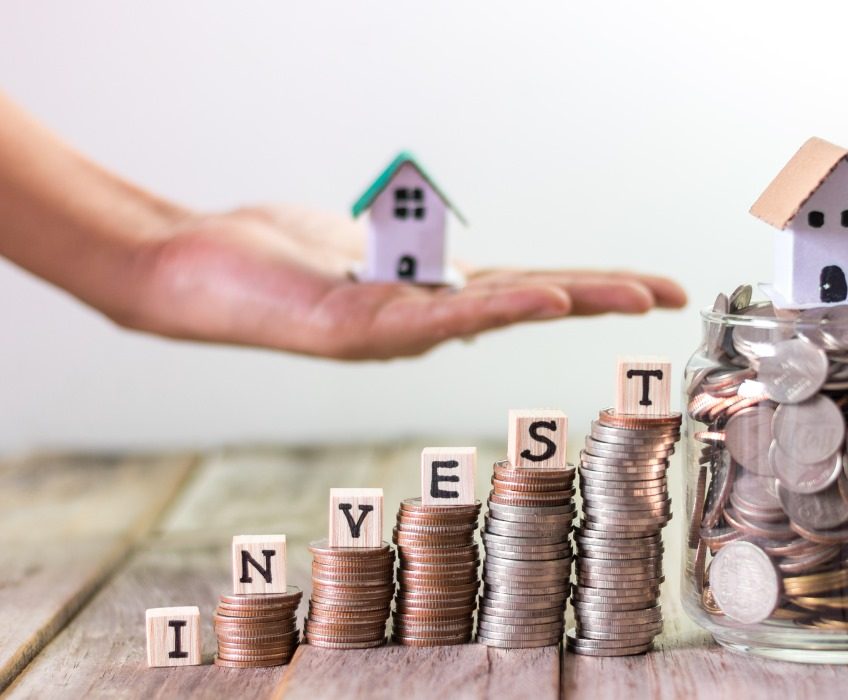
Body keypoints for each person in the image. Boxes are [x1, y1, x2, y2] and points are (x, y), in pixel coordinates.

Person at [0, 92, 686, 360]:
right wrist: (149, 252)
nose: (413, 212)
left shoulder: (413, 212)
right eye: (408, 207)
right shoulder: (392, 211)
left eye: (415, 207)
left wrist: (151, 250)